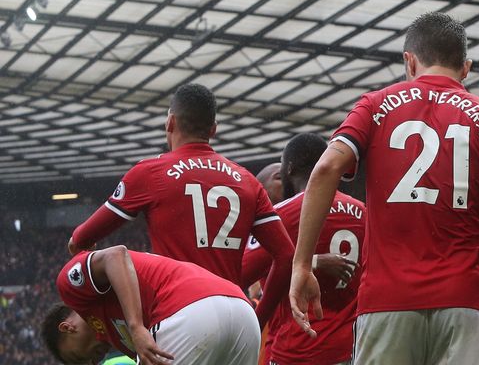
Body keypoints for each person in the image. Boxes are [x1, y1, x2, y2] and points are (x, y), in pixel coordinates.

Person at [289, 12, 479, 364]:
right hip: (462, 299)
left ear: (409, 61)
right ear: (466, 67)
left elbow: (324, 170)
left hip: (386, 302)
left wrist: (301, 264)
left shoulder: (374, 105)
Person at [66, 83, 294, 327]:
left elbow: (80, 238)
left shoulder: (150, 173)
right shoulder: (247, 180)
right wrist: (260, 318)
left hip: (183, 310)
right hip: (239, 314)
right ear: (213, 130)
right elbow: (287, 255)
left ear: (170, 123)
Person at [243, 133, 365, 365]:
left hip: (298, 348)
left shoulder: (281, 216)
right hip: (349, 350)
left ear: (288, 169)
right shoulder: (364, 213)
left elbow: (241, 271)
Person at [43, 245, 261, 364]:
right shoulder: (120, 339)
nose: (91, 362)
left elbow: (115, 255)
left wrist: (136, 326)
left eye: (78, 358)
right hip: (242, 313)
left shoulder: (70, 289)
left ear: (67, 328)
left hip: (188, 310)